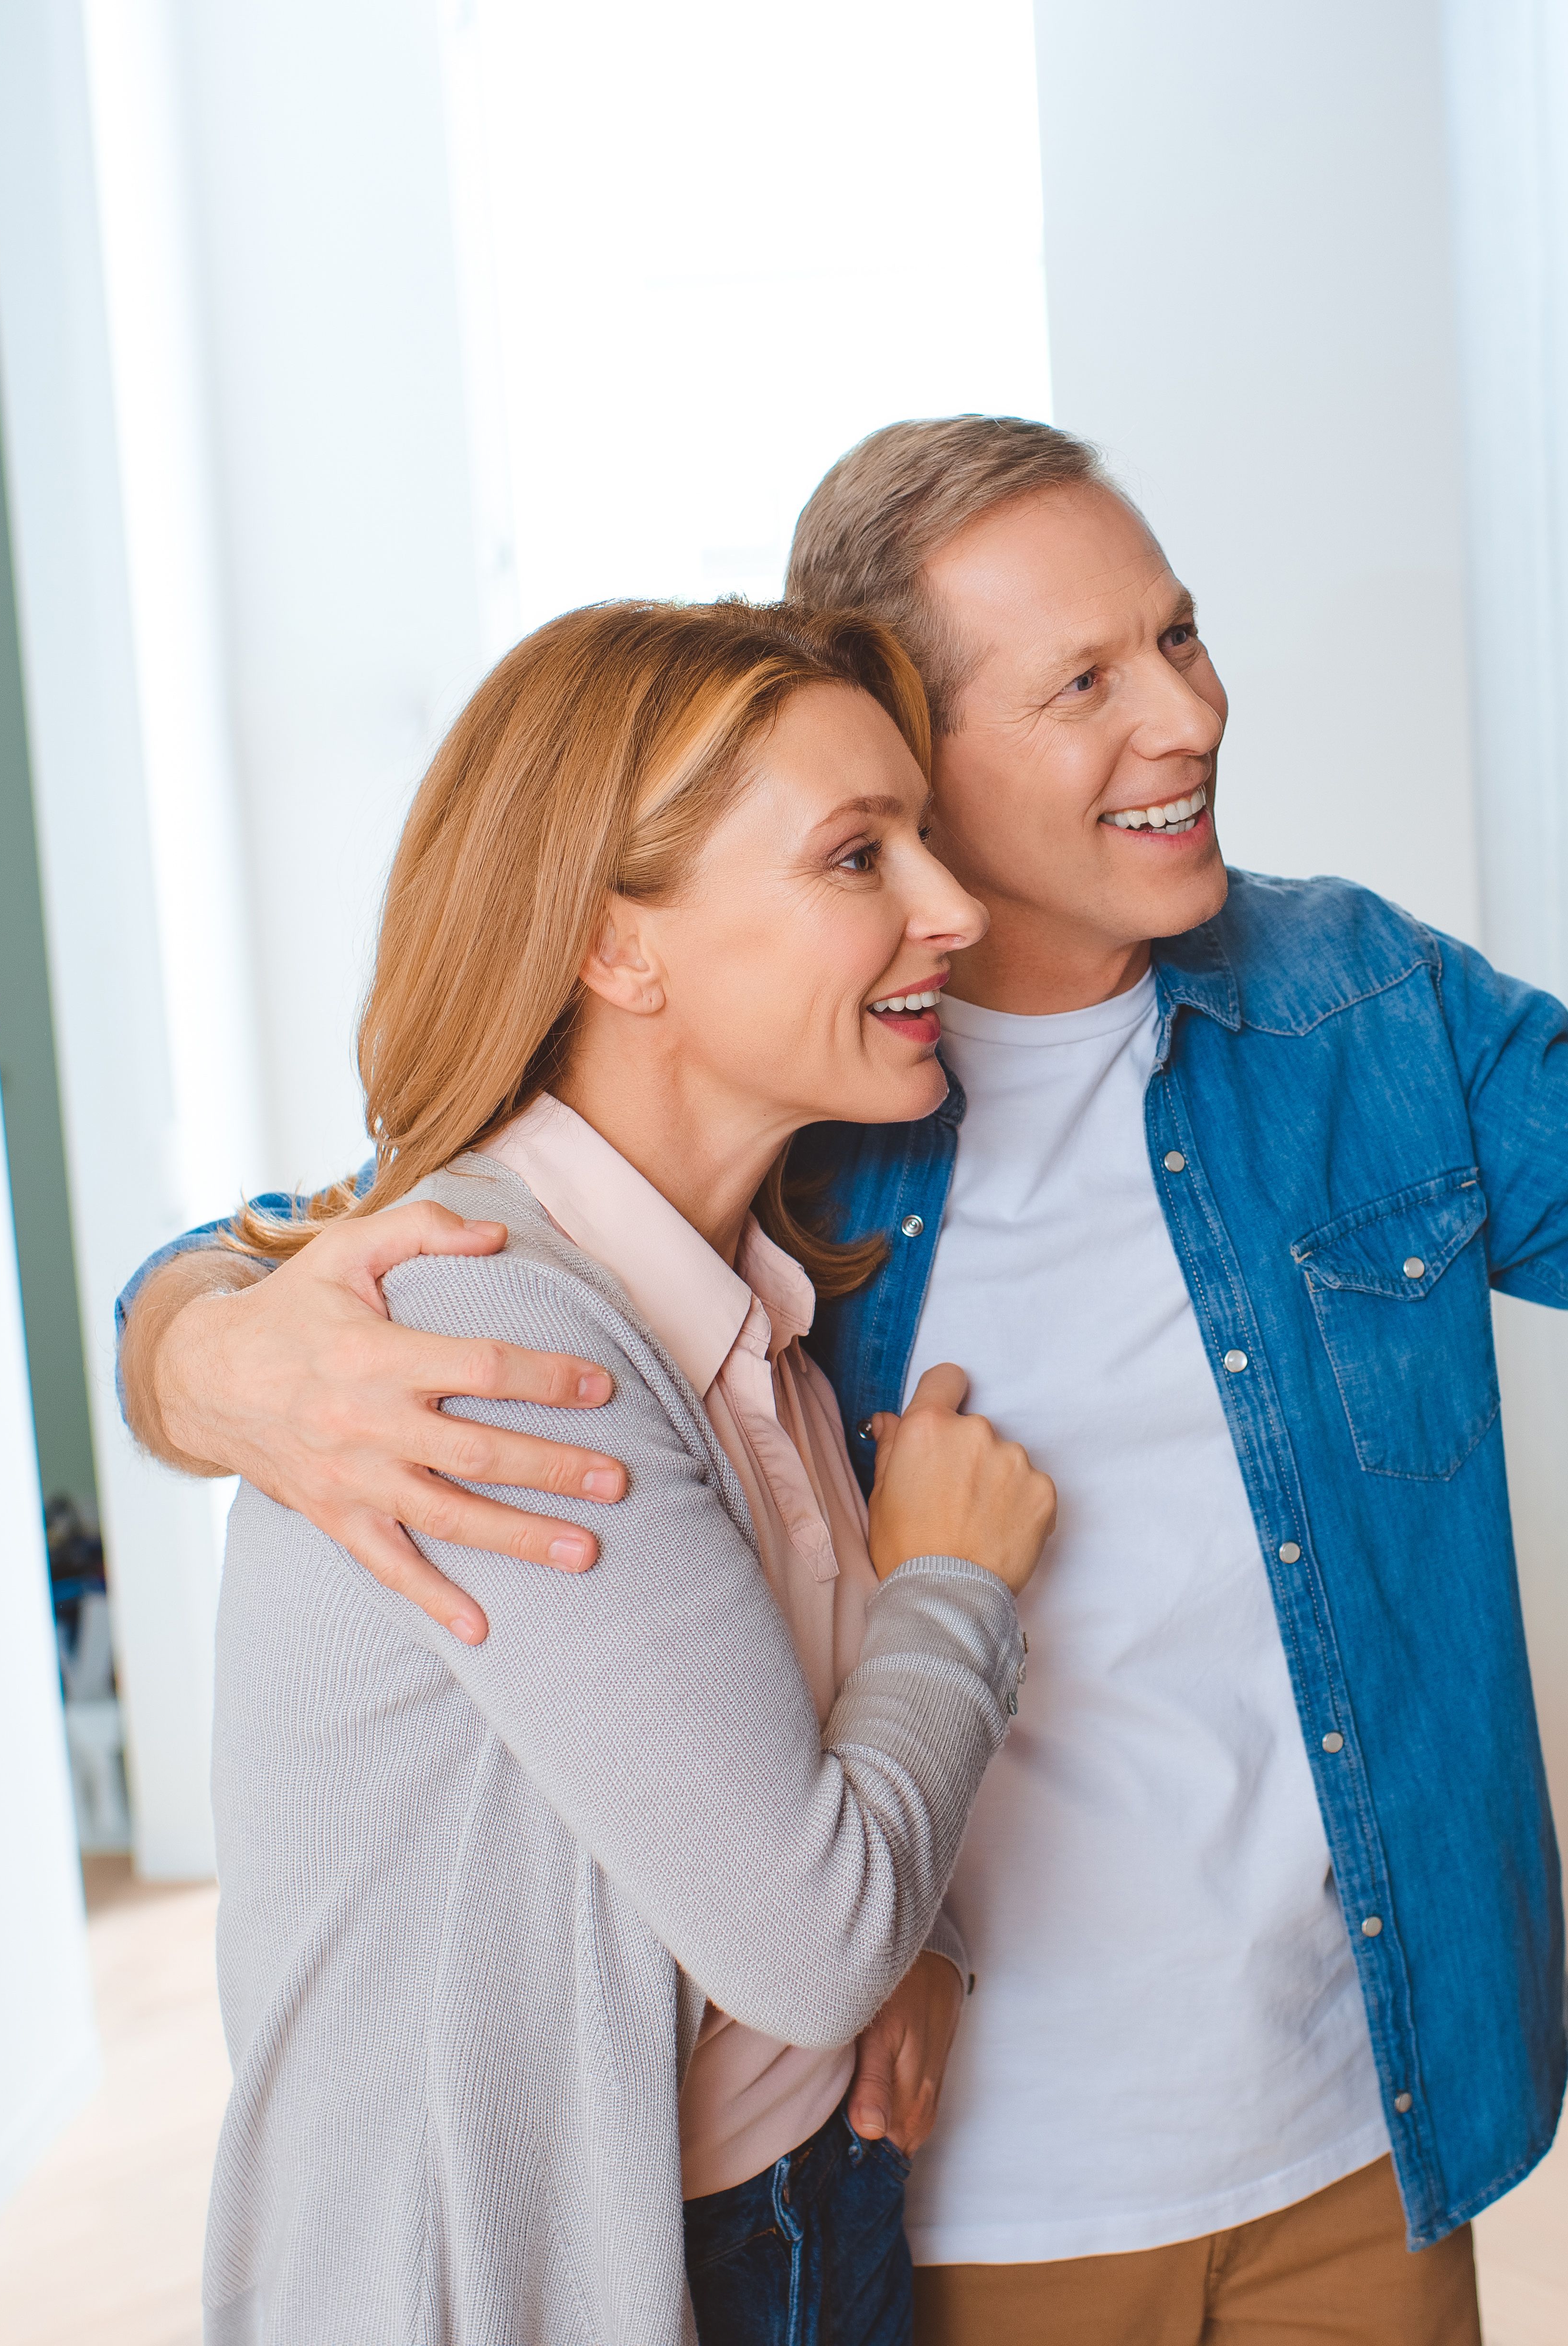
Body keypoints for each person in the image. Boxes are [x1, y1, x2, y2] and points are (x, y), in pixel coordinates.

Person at [126, 419, 1568, 2345]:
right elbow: (354, 1239)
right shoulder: (785, 1100)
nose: (1184, 717)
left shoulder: (1353, 1008)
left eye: (1179, 639)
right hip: (937, 2181)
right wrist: (207, 1351)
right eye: (1086, 682)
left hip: (1347, 2129)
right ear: (913, 753)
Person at [195, 597, 1056, 2346]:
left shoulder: (743, 1313)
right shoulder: (499, 1334)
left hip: (797, 2202)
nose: (954, 911)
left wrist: (927, 1949)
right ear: (617, 950)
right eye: (856, 857)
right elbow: (809, 1934)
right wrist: (955, 1584)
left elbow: (753, 1799)